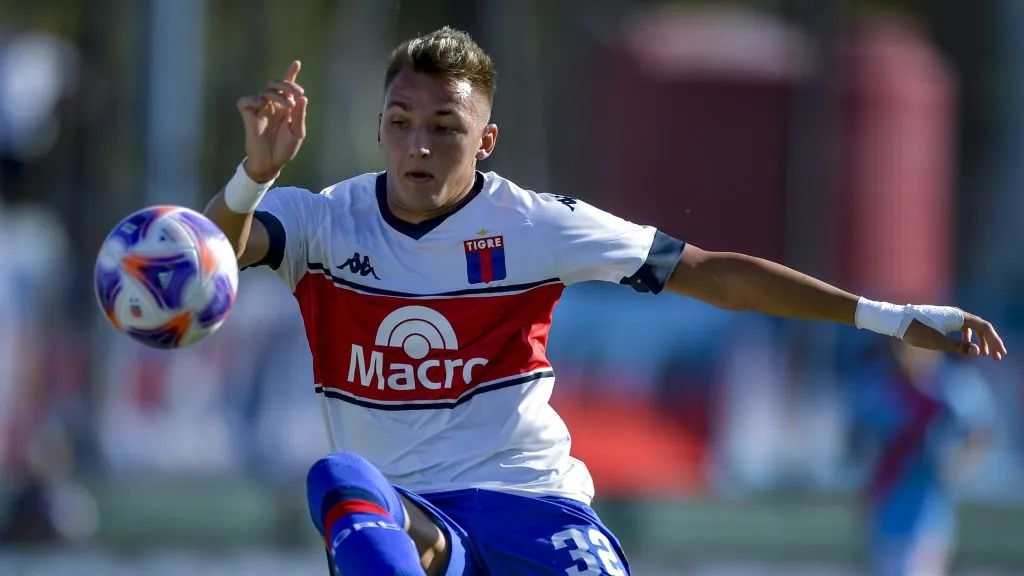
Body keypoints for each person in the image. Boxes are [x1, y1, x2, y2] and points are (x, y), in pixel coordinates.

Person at [202, 26, 1007, 576]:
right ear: (378, 126)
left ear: (485, 140)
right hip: (413, 523)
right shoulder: (320, 217)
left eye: (444, 126)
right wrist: (255, 172)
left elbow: (713, 271)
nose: (418, 144)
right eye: (402, 121)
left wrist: (890, 316)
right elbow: (214, 257)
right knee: (339, 478)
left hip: (531, 509)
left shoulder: (536, 224)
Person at [850, 339, 996, 576]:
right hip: (886, 508)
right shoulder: (880, 388)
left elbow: (981, 431)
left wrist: (960, 465)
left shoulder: (950, 387)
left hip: (928, 514)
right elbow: (857, 438)